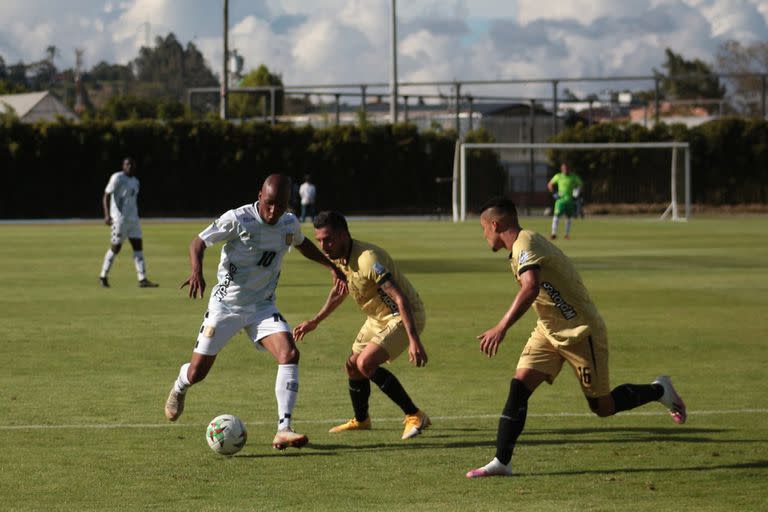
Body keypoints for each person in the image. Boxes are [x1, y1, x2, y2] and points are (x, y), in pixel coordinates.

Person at [466, 197, 686, 478]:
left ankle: (660, 390)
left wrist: (501, 327)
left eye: (484, 228)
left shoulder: (525, 244)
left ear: (495, 224)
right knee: (519, 387)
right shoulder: (521, 246)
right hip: (548, 330)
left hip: (581, 332)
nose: (484, 235)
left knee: (602, 406)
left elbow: (530, 287)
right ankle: (502, 461)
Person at [163, 174, 346, 451]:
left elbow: (302, 243)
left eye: (281, 205)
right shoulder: (238, 219)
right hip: (225, 306)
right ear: (260, 194)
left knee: (290, 353)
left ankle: (284, 428)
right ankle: (180, 383)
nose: (274, 211)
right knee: (198, 372)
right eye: (270, 203)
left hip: (262, 306)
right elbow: (198, 242)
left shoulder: (288, 222)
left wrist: (330, 266)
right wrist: (196, 271)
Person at [293, 210, 431, 440]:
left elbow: (400, 298)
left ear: (344, 235)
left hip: (403, 315)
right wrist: (315, 320)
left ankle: (415, 415)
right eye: (319, 240)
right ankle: (361, 420)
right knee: (352, 367)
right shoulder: (336, 257)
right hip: (376, 318)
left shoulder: (368, 259)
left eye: (328, 239)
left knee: (365, 363)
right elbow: (339, 292)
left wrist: (414, 340)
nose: (324, 246)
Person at [99, 157, 158, 288]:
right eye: (127, 164)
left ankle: (142, 279)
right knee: (116, 248)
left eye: (132, 164)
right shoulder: (117, 178)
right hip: (119, 220)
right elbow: (106, 195)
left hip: (134, 221)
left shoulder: (136, 181)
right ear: (123, 166)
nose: (129, 166)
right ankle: (103, 276)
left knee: (138, 248)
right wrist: (107, 215)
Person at [547, 163, 583, 240]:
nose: (565, 170)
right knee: (556, 216)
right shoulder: (558, 176)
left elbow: (580, 185)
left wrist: (576, 192)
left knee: (569, 217)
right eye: (564, 168)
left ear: (569, 169)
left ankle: (566, 234)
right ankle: (553, 233)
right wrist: (554, 193)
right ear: (562, 169)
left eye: (567, 168)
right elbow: (550, 184)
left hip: (570, 200)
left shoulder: (573, 177)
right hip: (560, 201)